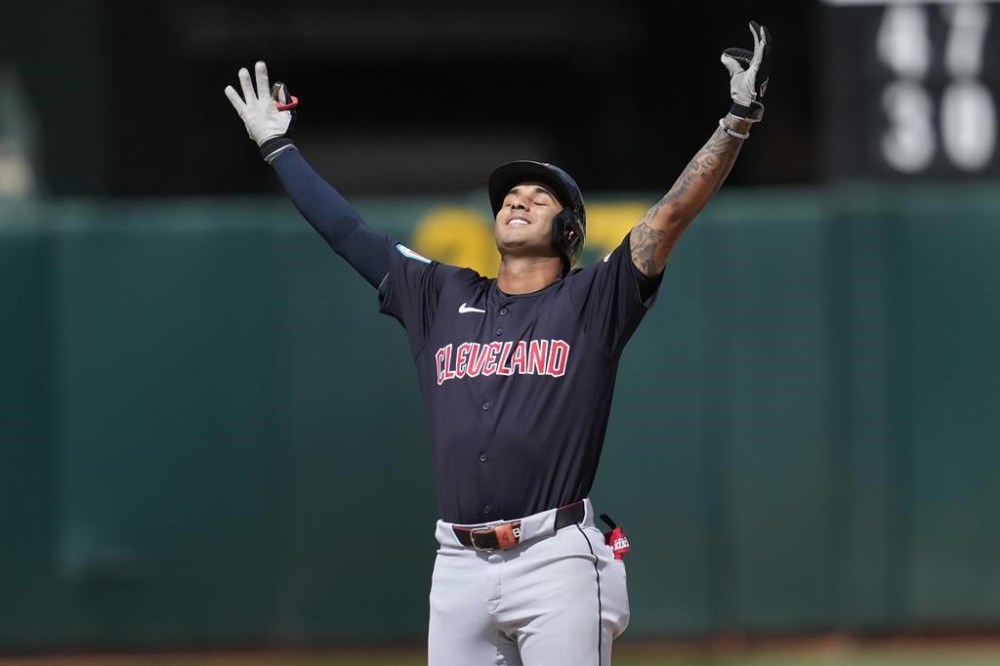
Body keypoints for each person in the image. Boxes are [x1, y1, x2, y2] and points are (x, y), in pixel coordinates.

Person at [225, 19, 770, 666]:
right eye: (510, 194)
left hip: (556, 558)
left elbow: (671, 215)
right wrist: (278, 149)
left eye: (538, 197)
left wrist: (736, 119)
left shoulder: (593, 300)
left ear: (569, 230)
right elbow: (348, 233)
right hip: (457, 562)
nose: (517, 200)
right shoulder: (438, 296)